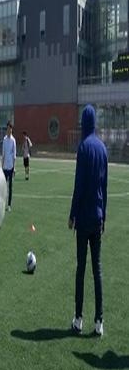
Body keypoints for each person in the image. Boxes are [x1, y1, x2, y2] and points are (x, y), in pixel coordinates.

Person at [69, 104, 107, 336]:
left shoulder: (83, 148)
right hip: (98, 217)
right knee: (97, 269)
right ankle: (99, 321)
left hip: (83, 219)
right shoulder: (103, 148)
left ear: (84, 122)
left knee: (81, 269)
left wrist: (73, 214)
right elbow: (105, 186)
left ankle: (79, 318)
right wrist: (105, 217)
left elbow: (79, 186)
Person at [2, 121, 16, 211]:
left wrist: (14, 167)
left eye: (10, 129)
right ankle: (3, 204)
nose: (9, 130)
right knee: (3, 186)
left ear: (11, 129)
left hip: (10, 166)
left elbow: (14, 155)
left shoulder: (13, 140)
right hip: (4, 167)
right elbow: (3, 153)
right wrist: (1, 165)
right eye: (7, 129)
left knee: (10, 187)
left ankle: (9, 205)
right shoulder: (4, 140)